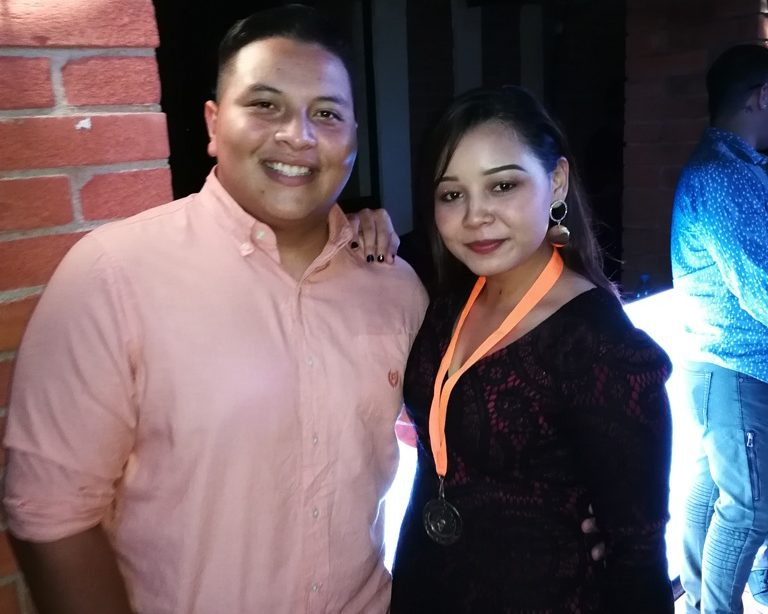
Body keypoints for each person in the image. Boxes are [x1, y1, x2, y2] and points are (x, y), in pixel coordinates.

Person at [2, 6, 428, 613]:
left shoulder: (394, 287)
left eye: (326, 114)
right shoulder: (113, 276)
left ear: (353, 139)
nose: (298, 136)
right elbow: (50, 515)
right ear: (213, 122)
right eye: (266, 105)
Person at [390, 86, 674, 613]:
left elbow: (639, 565)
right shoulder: (450, 301)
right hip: (423, 588)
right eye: (452, 194)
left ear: (557, 180)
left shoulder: (600, 347)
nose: (476, 215)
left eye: (502, 185)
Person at [672, 44, 768, 614]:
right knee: (750, 510)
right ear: (763, 97)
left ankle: (695, 598)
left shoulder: (733, 168)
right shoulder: (725, 176)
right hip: (734, 367)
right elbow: (764, 289)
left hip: (719, 365)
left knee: (713, 488)